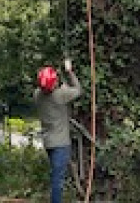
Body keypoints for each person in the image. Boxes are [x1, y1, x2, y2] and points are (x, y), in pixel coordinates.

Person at [33, 57, 82, 203]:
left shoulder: (37, 95)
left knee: (57, 176)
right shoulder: (60, 95)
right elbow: (78, 90)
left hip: (49, 142)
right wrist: (69, 71)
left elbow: (52, 88)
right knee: (57, 181)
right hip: (61, 143)